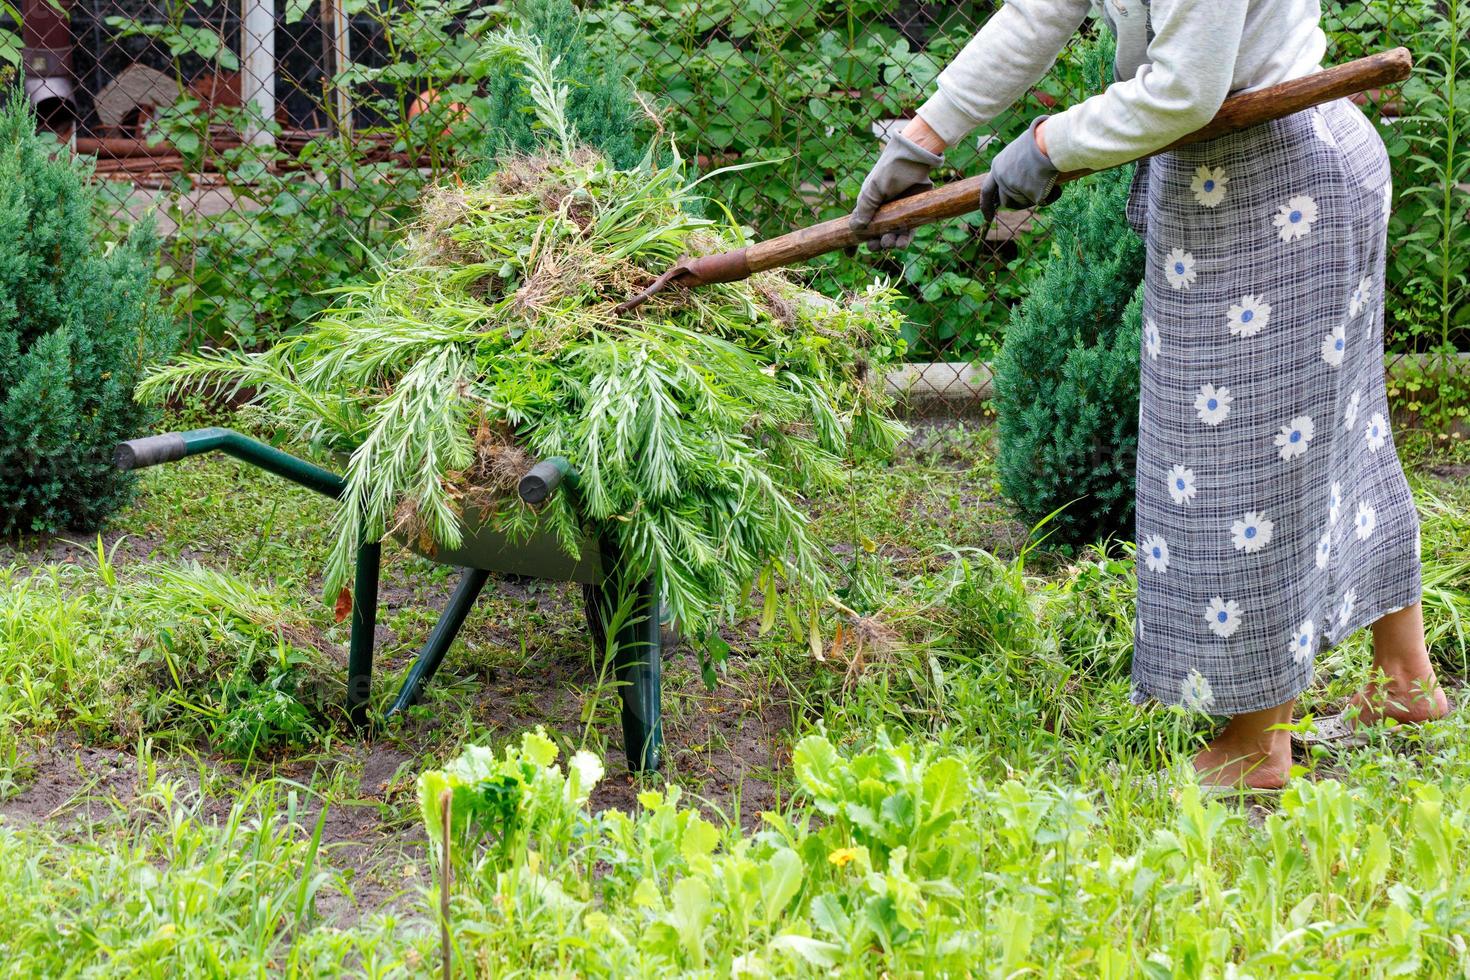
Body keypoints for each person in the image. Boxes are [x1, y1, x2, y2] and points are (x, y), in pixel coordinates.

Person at [850, 0, 1447, 789]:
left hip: (1279, 180)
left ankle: (1255, 743)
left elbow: (1184, 91)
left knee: (1246, 466)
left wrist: (1047, 145)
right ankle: (1403, 678)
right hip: (1246, 175)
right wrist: (923, 136)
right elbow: (1043, 7)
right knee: (1335, 438)